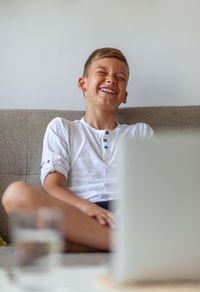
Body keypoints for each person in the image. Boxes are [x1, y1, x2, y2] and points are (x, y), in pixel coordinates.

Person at [2, 47, 153, 252]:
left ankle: (86, 243)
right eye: (102, 72)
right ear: (83, 83)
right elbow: (52, 187)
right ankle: (121, 244)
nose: (111, 79)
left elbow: (146, 188)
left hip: (128, 215)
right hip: (78, 214)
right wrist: (87, 208)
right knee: (15, 194)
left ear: (124, 95)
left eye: (120, 77)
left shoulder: (140, 132)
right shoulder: (62, 128)